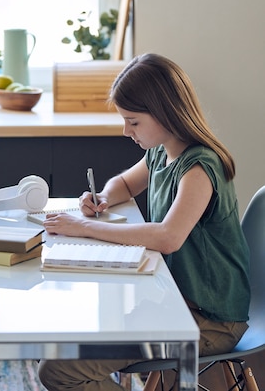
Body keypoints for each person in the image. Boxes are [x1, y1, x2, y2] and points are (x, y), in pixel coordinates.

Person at [37, 53, 250, 391]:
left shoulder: (199, 167)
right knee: (62, 337)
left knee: (58, 370)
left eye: (133, 122)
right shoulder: (161, 150)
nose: (126, 131)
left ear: (165, 112)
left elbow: (168, 237)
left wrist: (85, 227)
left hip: (209, 320)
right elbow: (124, 184)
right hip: (172, 300)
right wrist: (104, 197)